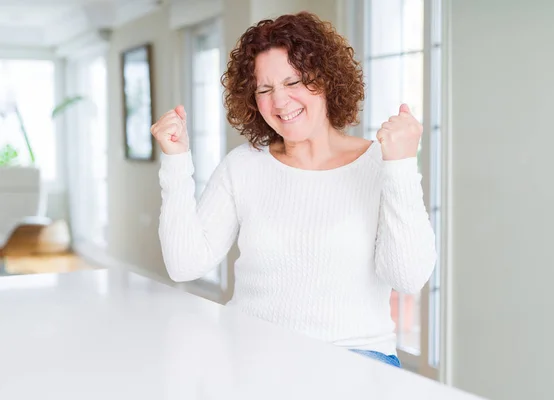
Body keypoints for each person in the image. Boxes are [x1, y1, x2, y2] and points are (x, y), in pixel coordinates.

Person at [151, 11, 437, 369]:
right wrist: (176, 161)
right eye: (265, 89)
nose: (281, 102)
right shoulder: (243, 166)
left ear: (327, 80)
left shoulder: (380, 163)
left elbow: (407, 277)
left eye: (293, 82)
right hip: (253, 356)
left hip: (355, 360)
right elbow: (183, 265)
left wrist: (400, 165)